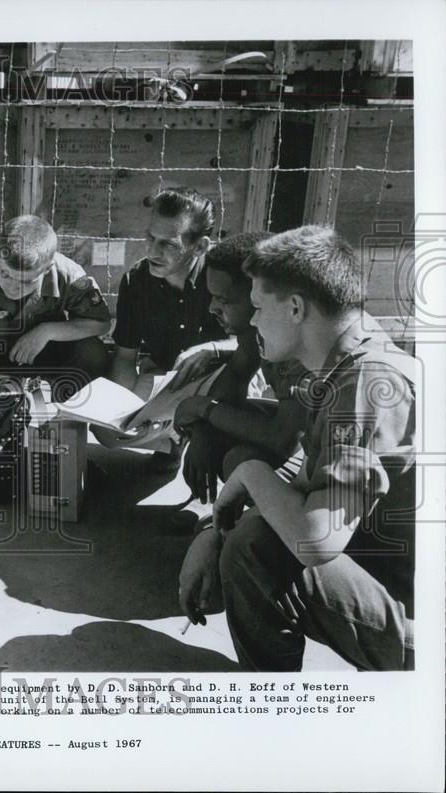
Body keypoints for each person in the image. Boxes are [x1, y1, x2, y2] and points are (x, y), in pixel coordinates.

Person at [178, 226, 415, 671]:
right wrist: (212, 531)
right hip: (394, 573)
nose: (250, 322)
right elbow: (305, 484)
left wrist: (247, 472)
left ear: (294, 308)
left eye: (257, 307)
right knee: (251, 529)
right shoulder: (352, 358)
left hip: (419, 628)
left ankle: (276, 712)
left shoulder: (364, 382)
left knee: (254, 547)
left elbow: (315, 538)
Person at [172, 231, 307, 512]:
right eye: (212, 297)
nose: (212, 308)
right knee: (222, 434)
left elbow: (284, 439)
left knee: (241, 461)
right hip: (304, 438)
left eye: (225, 300)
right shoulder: (255, 328)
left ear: (260, 295)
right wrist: (204, 432)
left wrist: (203, 409)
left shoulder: (297, 346)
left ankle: (266, 530)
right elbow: (237, 373)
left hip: (333, 463)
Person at [0, 215, 111, 396]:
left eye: (26, 282)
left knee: (92, 351)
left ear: (48, 269)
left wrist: (47, 331)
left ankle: (69, 412)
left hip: (44, 353)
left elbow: (101, 322)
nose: (13, 287)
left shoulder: (68, 274)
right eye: (5, 274)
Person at [110, 187, 230, 399]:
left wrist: (213, 349)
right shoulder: (135, 281)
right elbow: (125, 359)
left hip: (221, 377)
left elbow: (253, 345)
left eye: (167, 244)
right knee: (109, 431)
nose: (152, 252)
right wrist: (120, 409)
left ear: (199, 247)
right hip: (162, 377)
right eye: (150, 238)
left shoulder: (226, 277)